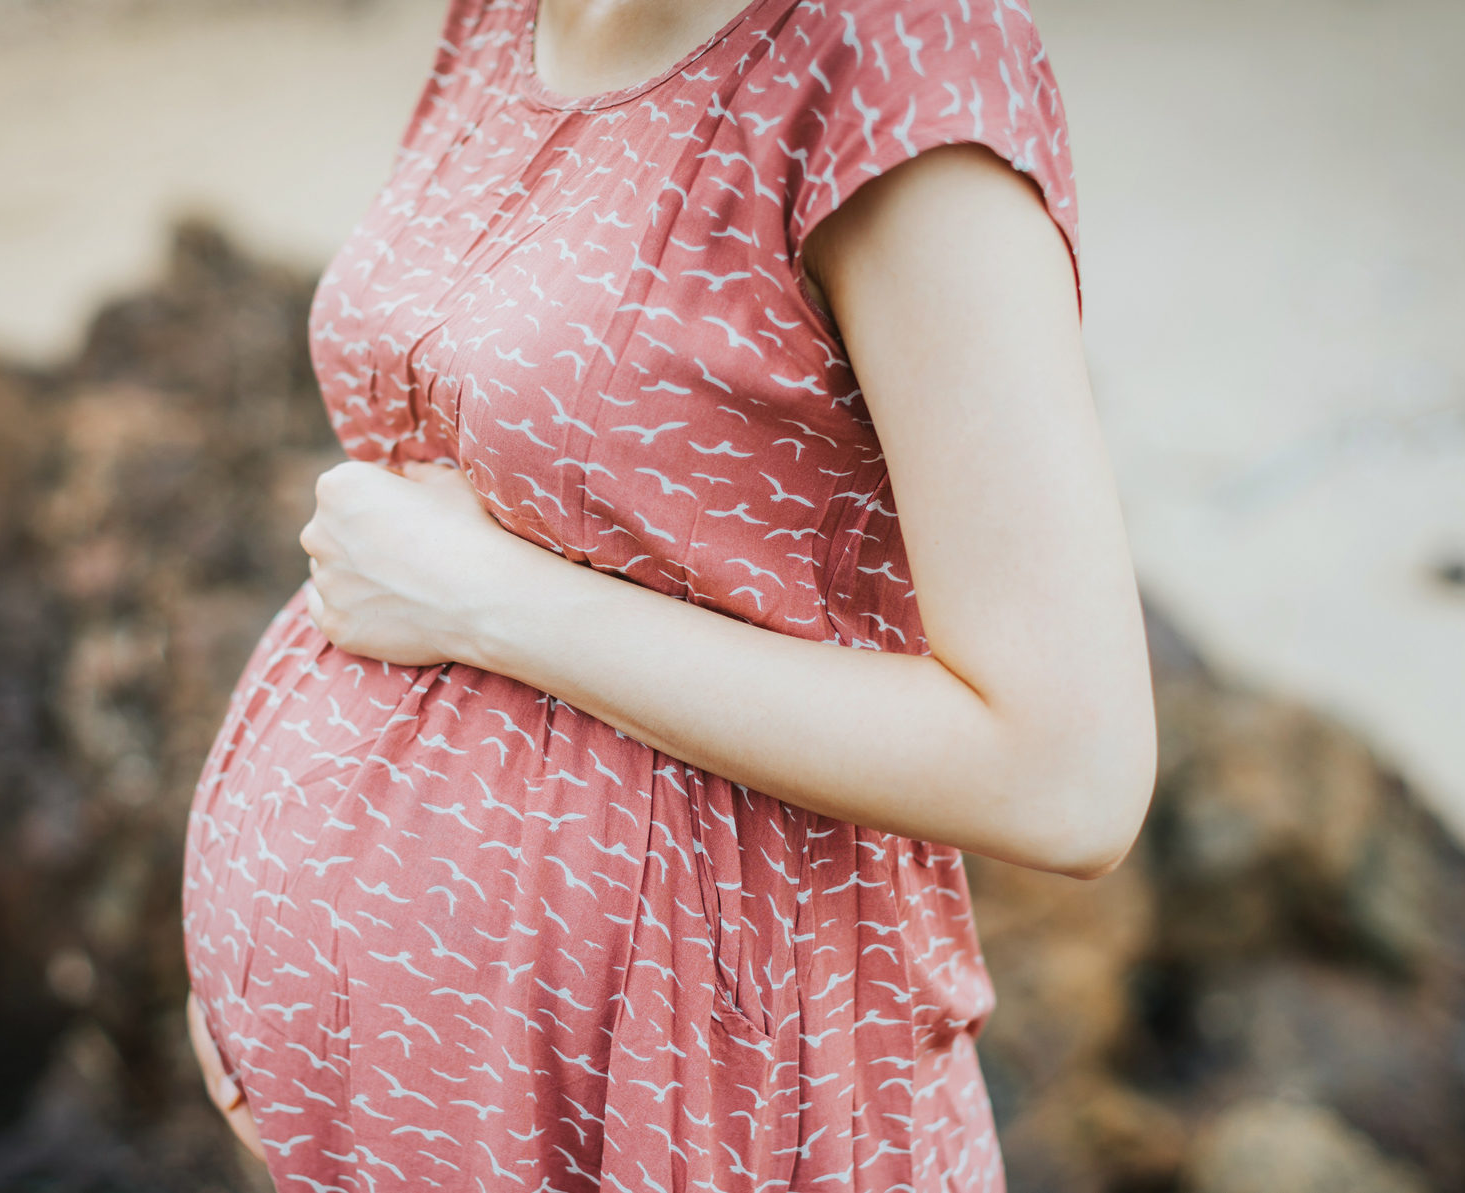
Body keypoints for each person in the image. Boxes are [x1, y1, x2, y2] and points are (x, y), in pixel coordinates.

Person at [180, 0, 1158, 1187]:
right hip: (370, 1119)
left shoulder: (895, 56)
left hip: (698, 1111)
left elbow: (1067, 772)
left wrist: (492, 603)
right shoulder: (510, 13)